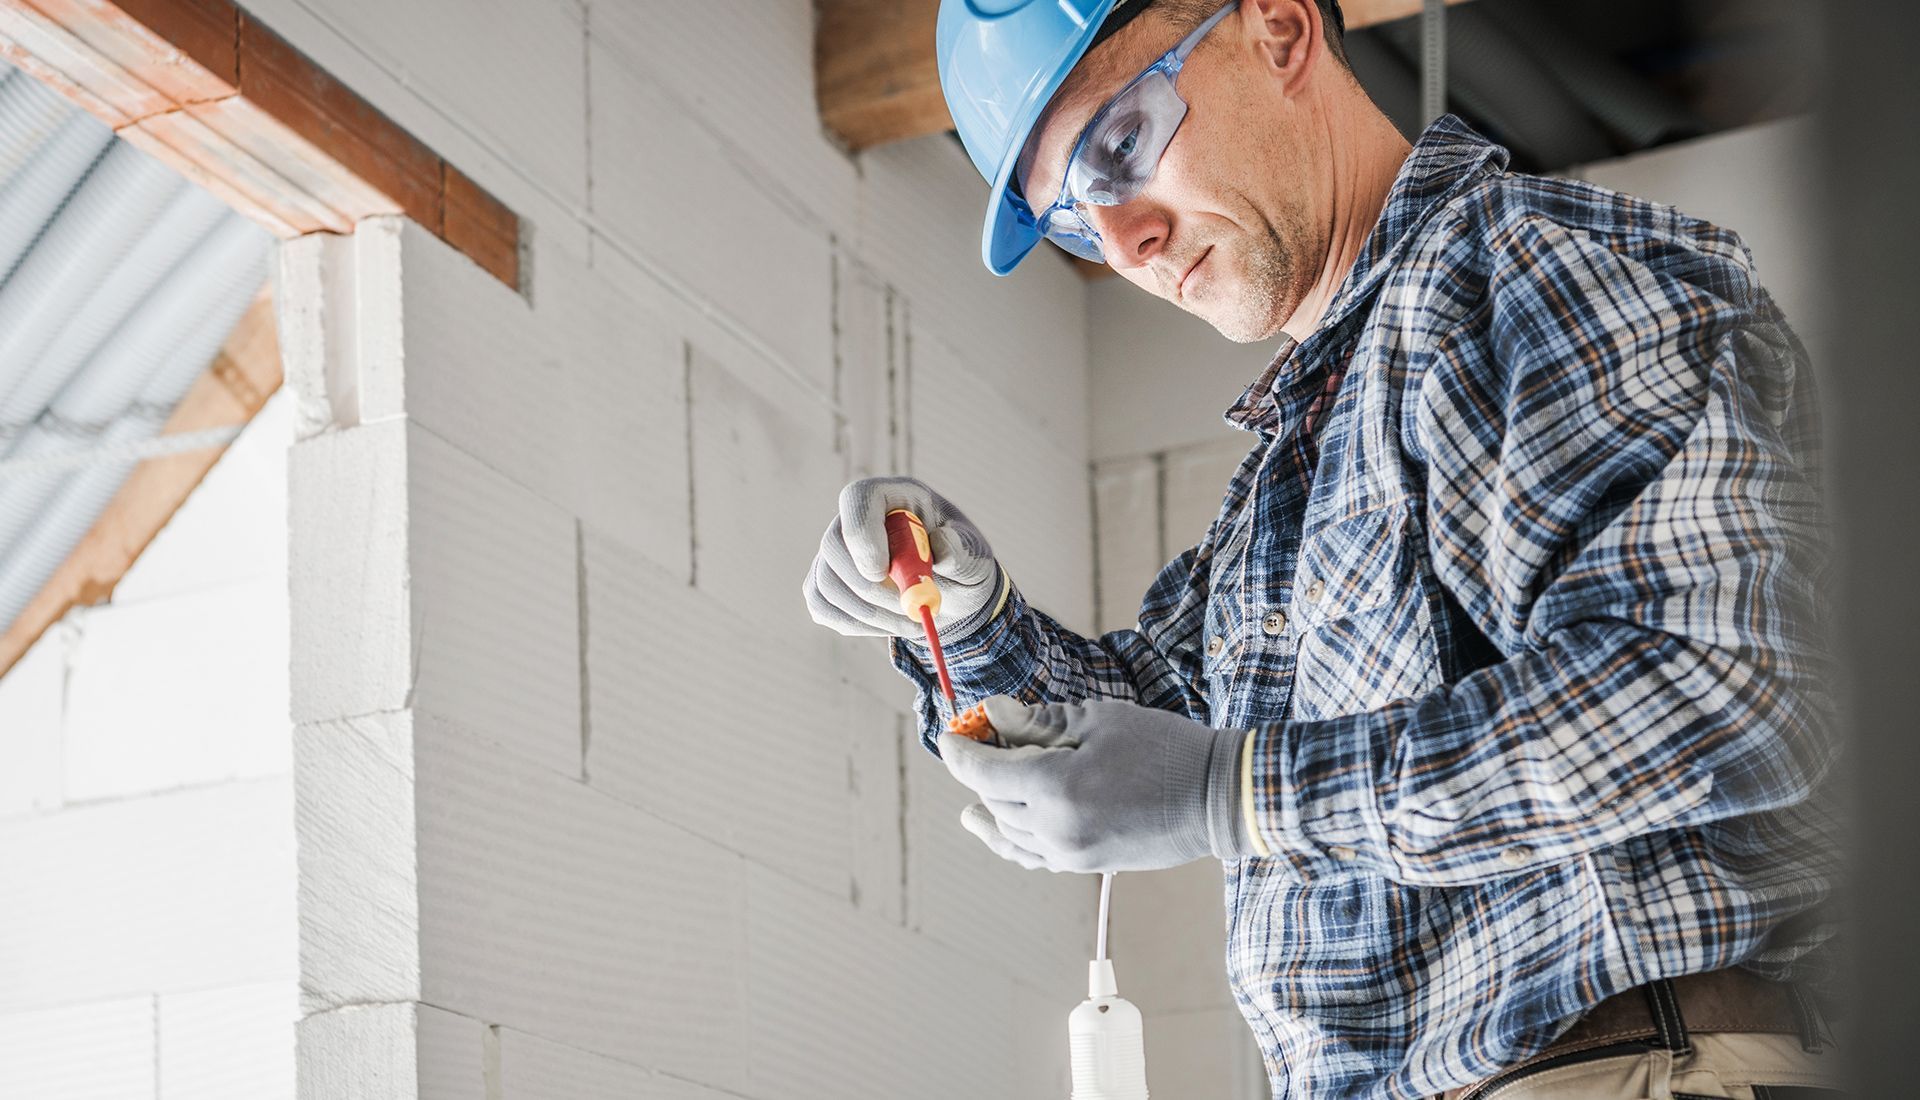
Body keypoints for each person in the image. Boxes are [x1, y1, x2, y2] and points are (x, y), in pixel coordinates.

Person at [802, 1, 1841, 1096]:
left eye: (1120, 146)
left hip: (1632, 1066)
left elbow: (1730, 693)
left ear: (1284, 30)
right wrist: (962, 617)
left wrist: (1234, 793)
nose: (1123, 242)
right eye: (1071, 216)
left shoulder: (1535, 272)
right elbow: (1132, 728)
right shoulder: (1288, 481)